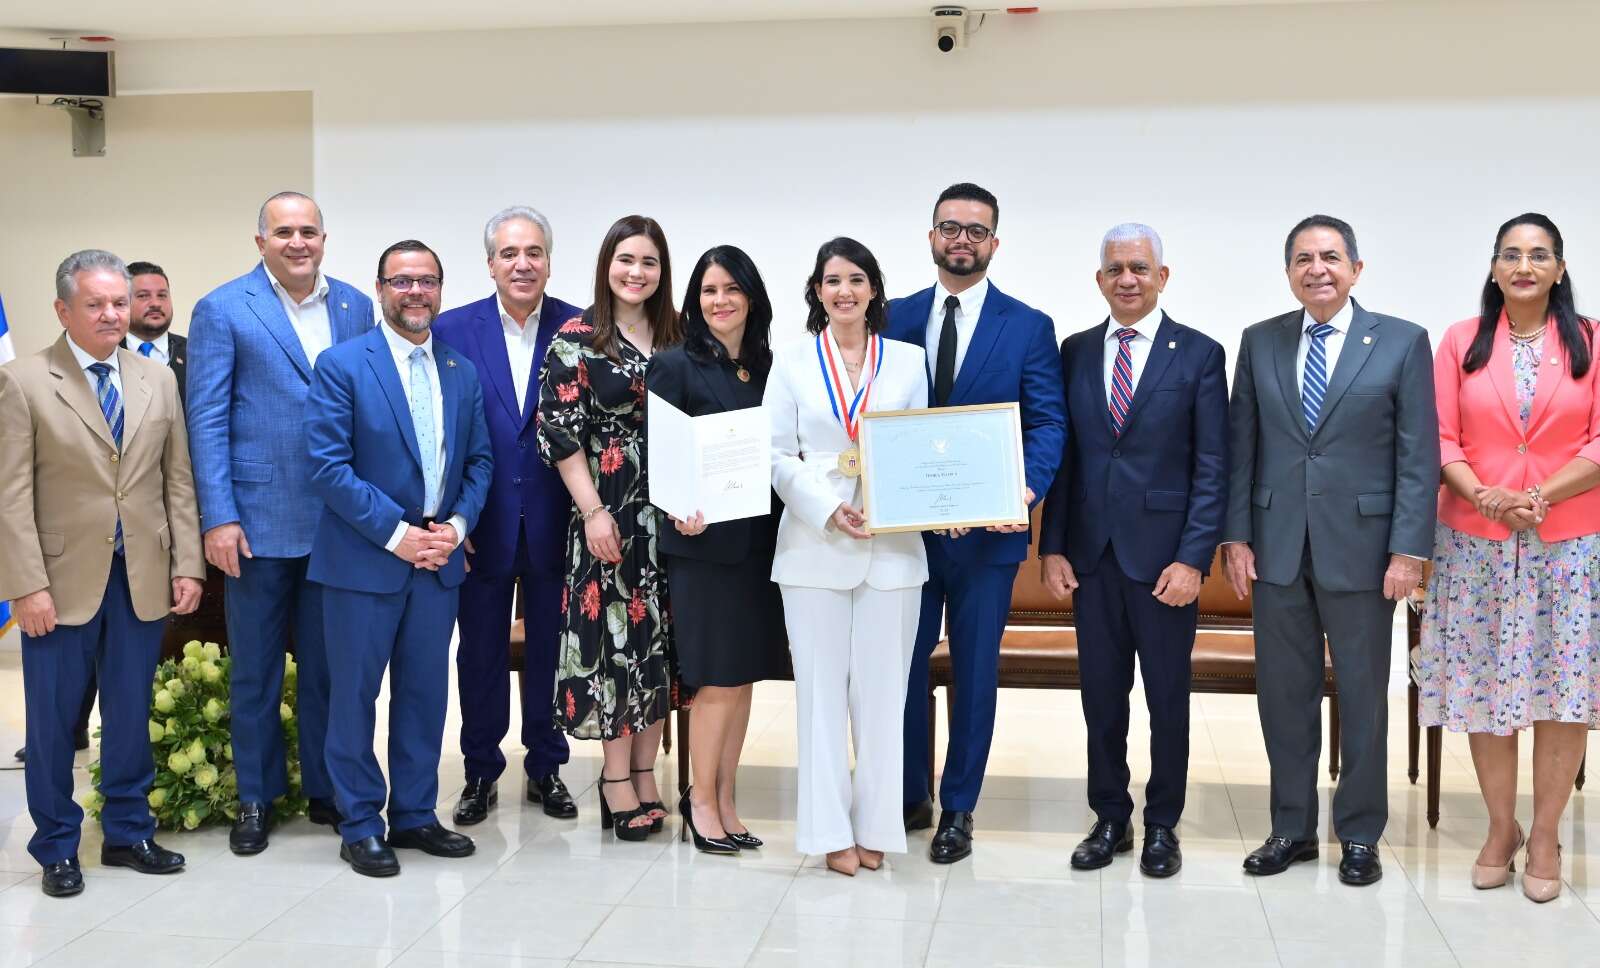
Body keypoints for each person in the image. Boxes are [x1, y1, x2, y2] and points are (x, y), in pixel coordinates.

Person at [1224, 215, 1438, 886]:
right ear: (1288, 271)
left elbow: (1416, 455)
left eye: (1331, 257)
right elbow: (1242, 449)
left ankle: (1359, 833)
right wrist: (1236, 535)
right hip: (1277, 548)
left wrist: (1408, 549)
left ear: (1356, 268)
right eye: (1303, 259)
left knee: (1365, 694)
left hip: (1366, 552)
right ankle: (1291, 827)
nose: (1317, 268)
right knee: (1284, 695)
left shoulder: (1402, 343)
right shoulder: (1259, 343)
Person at [0, 250, 204, 897]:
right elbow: (10, 495)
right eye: (97, 304)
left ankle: (127, 831)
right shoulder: (25, 381)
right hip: (57, 584)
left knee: (128, 711)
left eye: (120, 302)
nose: (114, 314)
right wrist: (26, 585)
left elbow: (178, 480)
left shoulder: (157, 379)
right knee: (54, 721)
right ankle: (57, 843)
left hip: (141, 574)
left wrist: (188, 564)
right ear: (64, 309)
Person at [1418, 213, 1600, 903]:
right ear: (1494, 269)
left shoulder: (1592, 342)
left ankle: (1547, 832)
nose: (1525, 265)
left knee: (1563, 691)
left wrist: (1536, 494)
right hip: (1474, 542)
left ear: (1559, 269)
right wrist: (1487, 498)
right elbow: (1436, 437)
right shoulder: (1461, 342)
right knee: (1484, 685)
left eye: (1539, 254)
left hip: (1570, 544)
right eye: (1511, 254)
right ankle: (1501, 828)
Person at [187, 191, 374, 855]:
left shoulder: (355, 305)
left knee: (331, 669)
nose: (299, 242)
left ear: (325, 238)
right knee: (256, 673)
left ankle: (326, 790)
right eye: (284, 232)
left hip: (338, 523)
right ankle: (255, 798)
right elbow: (205, 419)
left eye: (310, 232)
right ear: (259, 239)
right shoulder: (222, 308)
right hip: (258, 523)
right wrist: (219, 517)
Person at [1039, 223, 1228, 878]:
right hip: (1091, 558)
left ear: (1162, 277)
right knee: (1102, 698)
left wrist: (1194, 558)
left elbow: (1212, 467)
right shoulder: (1073, 351)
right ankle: (1110, 815)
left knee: (1168, 699)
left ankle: (1163, 825)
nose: (1127, 279)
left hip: (1165, 564)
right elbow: (1064, 460)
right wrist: (1052, 547)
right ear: (1100, 280)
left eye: (1140, 268)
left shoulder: (1199, 354)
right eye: (1115, 268)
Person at [887, 182, 1067, 864]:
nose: (961, 239)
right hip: (906, 536)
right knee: (898, 669)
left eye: (975, 230)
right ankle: (907, 792)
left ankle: (958, 808)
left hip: (989, 538)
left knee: (974, 673)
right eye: (949, 228)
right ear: (931, 236)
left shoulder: (1028, 326)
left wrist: (1022, 491)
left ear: (995, 241)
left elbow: (1047, 421)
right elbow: (877, 420)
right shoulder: (894, 317)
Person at [305, 239, 492, 876]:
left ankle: (414, 815)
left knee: (424, 695)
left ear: (441, 289)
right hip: (364, 564)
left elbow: (479, 462)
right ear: (380, 288)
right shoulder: (342, 364)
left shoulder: (461, 371)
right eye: (402, 280)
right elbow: (327, 469)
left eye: (428, 281)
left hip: (438, 566)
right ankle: (359, 821)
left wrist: (455, 525)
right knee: (353, 697)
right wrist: (398, 535)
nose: (416, 292)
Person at [766, 237, 929, 876]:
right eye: (831, 281)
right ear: (816, 292)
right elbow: (776, 455)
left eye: (856, 279)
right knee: (821, 697)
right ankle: (829, 831)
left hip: (893, 546)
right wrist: (826, 507)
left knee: (885, 697)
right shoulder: (794, 364)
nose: (844, 291)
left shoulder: (909, 361)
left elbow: (919, 447)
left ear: (873, 290)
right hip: (814, 544)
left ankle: (877, 828)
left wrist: (911, 505)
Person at [433, 207, 582, 825]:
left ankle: (546, 766)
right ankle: (479, 771)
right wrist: (449, 519)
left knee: (552, 652)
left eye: (534, 252)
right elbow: (434, 431)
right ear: (490, 263)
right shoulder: (451, 330)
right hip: (481, 525)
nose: (522, 264)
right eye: (509, 253)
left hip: (557, 524)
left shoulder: (582, 327)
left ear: (549, 259)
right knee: (481, 656)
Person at [536, 215, 681, 840]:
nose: (636, 273)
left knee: (659, 648)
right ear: (606, 265)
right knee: (615, 650)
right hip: (609, 515)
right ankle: (615, 780)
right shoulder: (577, 339)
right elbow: (562, 435)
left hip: (673, 516)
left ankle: (647, 772)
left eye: (648, 263)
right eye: (626, 260)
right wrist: (593, 511)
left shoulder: (678, 337)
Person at [647, 245, 789, 854]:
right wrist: (681, 504)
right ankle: (700, 801)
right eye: (709, 290)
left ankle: (727, 799)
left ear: (751, 298)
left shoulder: (769, 368)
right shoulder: (674, 364)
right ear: (694, 300)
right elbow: (662, 459)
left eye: (732, 289)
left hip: (761, 546)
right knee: (713, 682)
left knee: (743, 678)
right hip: (703, 549)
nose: (721, 301)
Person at [126, 261, 187, 397]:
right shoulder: (107, 353)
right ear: (123, 302)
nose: (155, 303)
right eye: (143, 296)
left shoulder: (193, 352)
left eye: (162, 295)